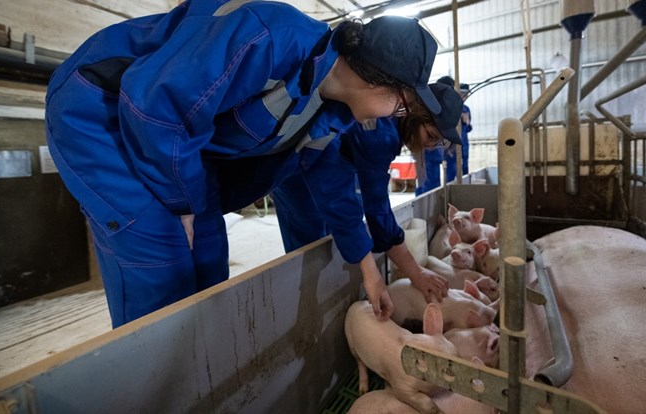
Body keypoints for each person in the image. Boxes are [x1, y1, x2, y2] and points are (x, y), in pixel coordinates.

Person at [45, 0, 442, 327]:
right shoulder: (272, 37)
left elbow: (335, 194)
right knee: (162, 264)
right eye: (402, 103)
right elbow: (159, 104)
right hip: (105, 113)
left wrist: (369, 273)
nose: (398, 114)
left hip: (179, 150)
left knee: (209, 264)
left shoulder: (330, 112)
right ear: (381, 81)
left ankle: (198, 380)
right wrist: (182, 205)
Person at [272, 83, 463, 307]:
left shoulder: (390, 122)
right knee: (311, 242)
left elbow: (371, 207)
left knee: (332, 233)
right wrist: (411, 273)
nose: (430, 146)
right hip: (296, 171)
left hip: (315, 159)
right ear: (415, 114)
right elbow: (376, 210)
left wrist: (412, 271)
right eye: (430, 135)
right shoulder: (382, 133)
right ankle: (308, 306)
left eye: (437, 142)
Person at [444, 82, 473, 182]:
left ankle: (463, 193)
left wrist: (467, 122)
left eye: (466, 94)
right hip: (452, 145)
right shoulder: (450, 107)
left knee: (464, 171)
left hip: (464, 145)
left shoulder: (466, 109)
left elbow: (468, 128)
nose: (464, 96)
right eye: (462, 93)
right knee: (451, 173)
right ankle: (450, 193)